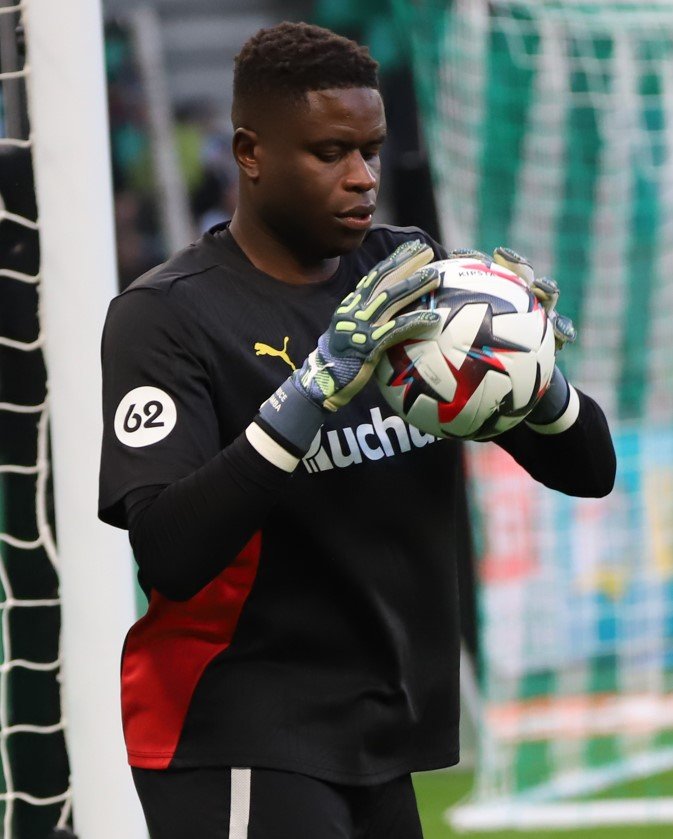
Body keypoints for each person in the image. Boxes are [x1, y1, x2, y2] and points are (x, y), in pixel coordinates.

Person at [98, 21, 616, 839]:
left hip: (378, 729)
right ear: (249, 152)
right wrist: (310, 391)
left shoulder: (409, 279)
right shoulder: (166, 316)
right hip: (238, 725)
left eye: (370, 150)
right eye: (329, 152)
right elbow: (167, 549)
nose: (361, 178)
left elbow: (589, 470)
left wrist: (534, 375)